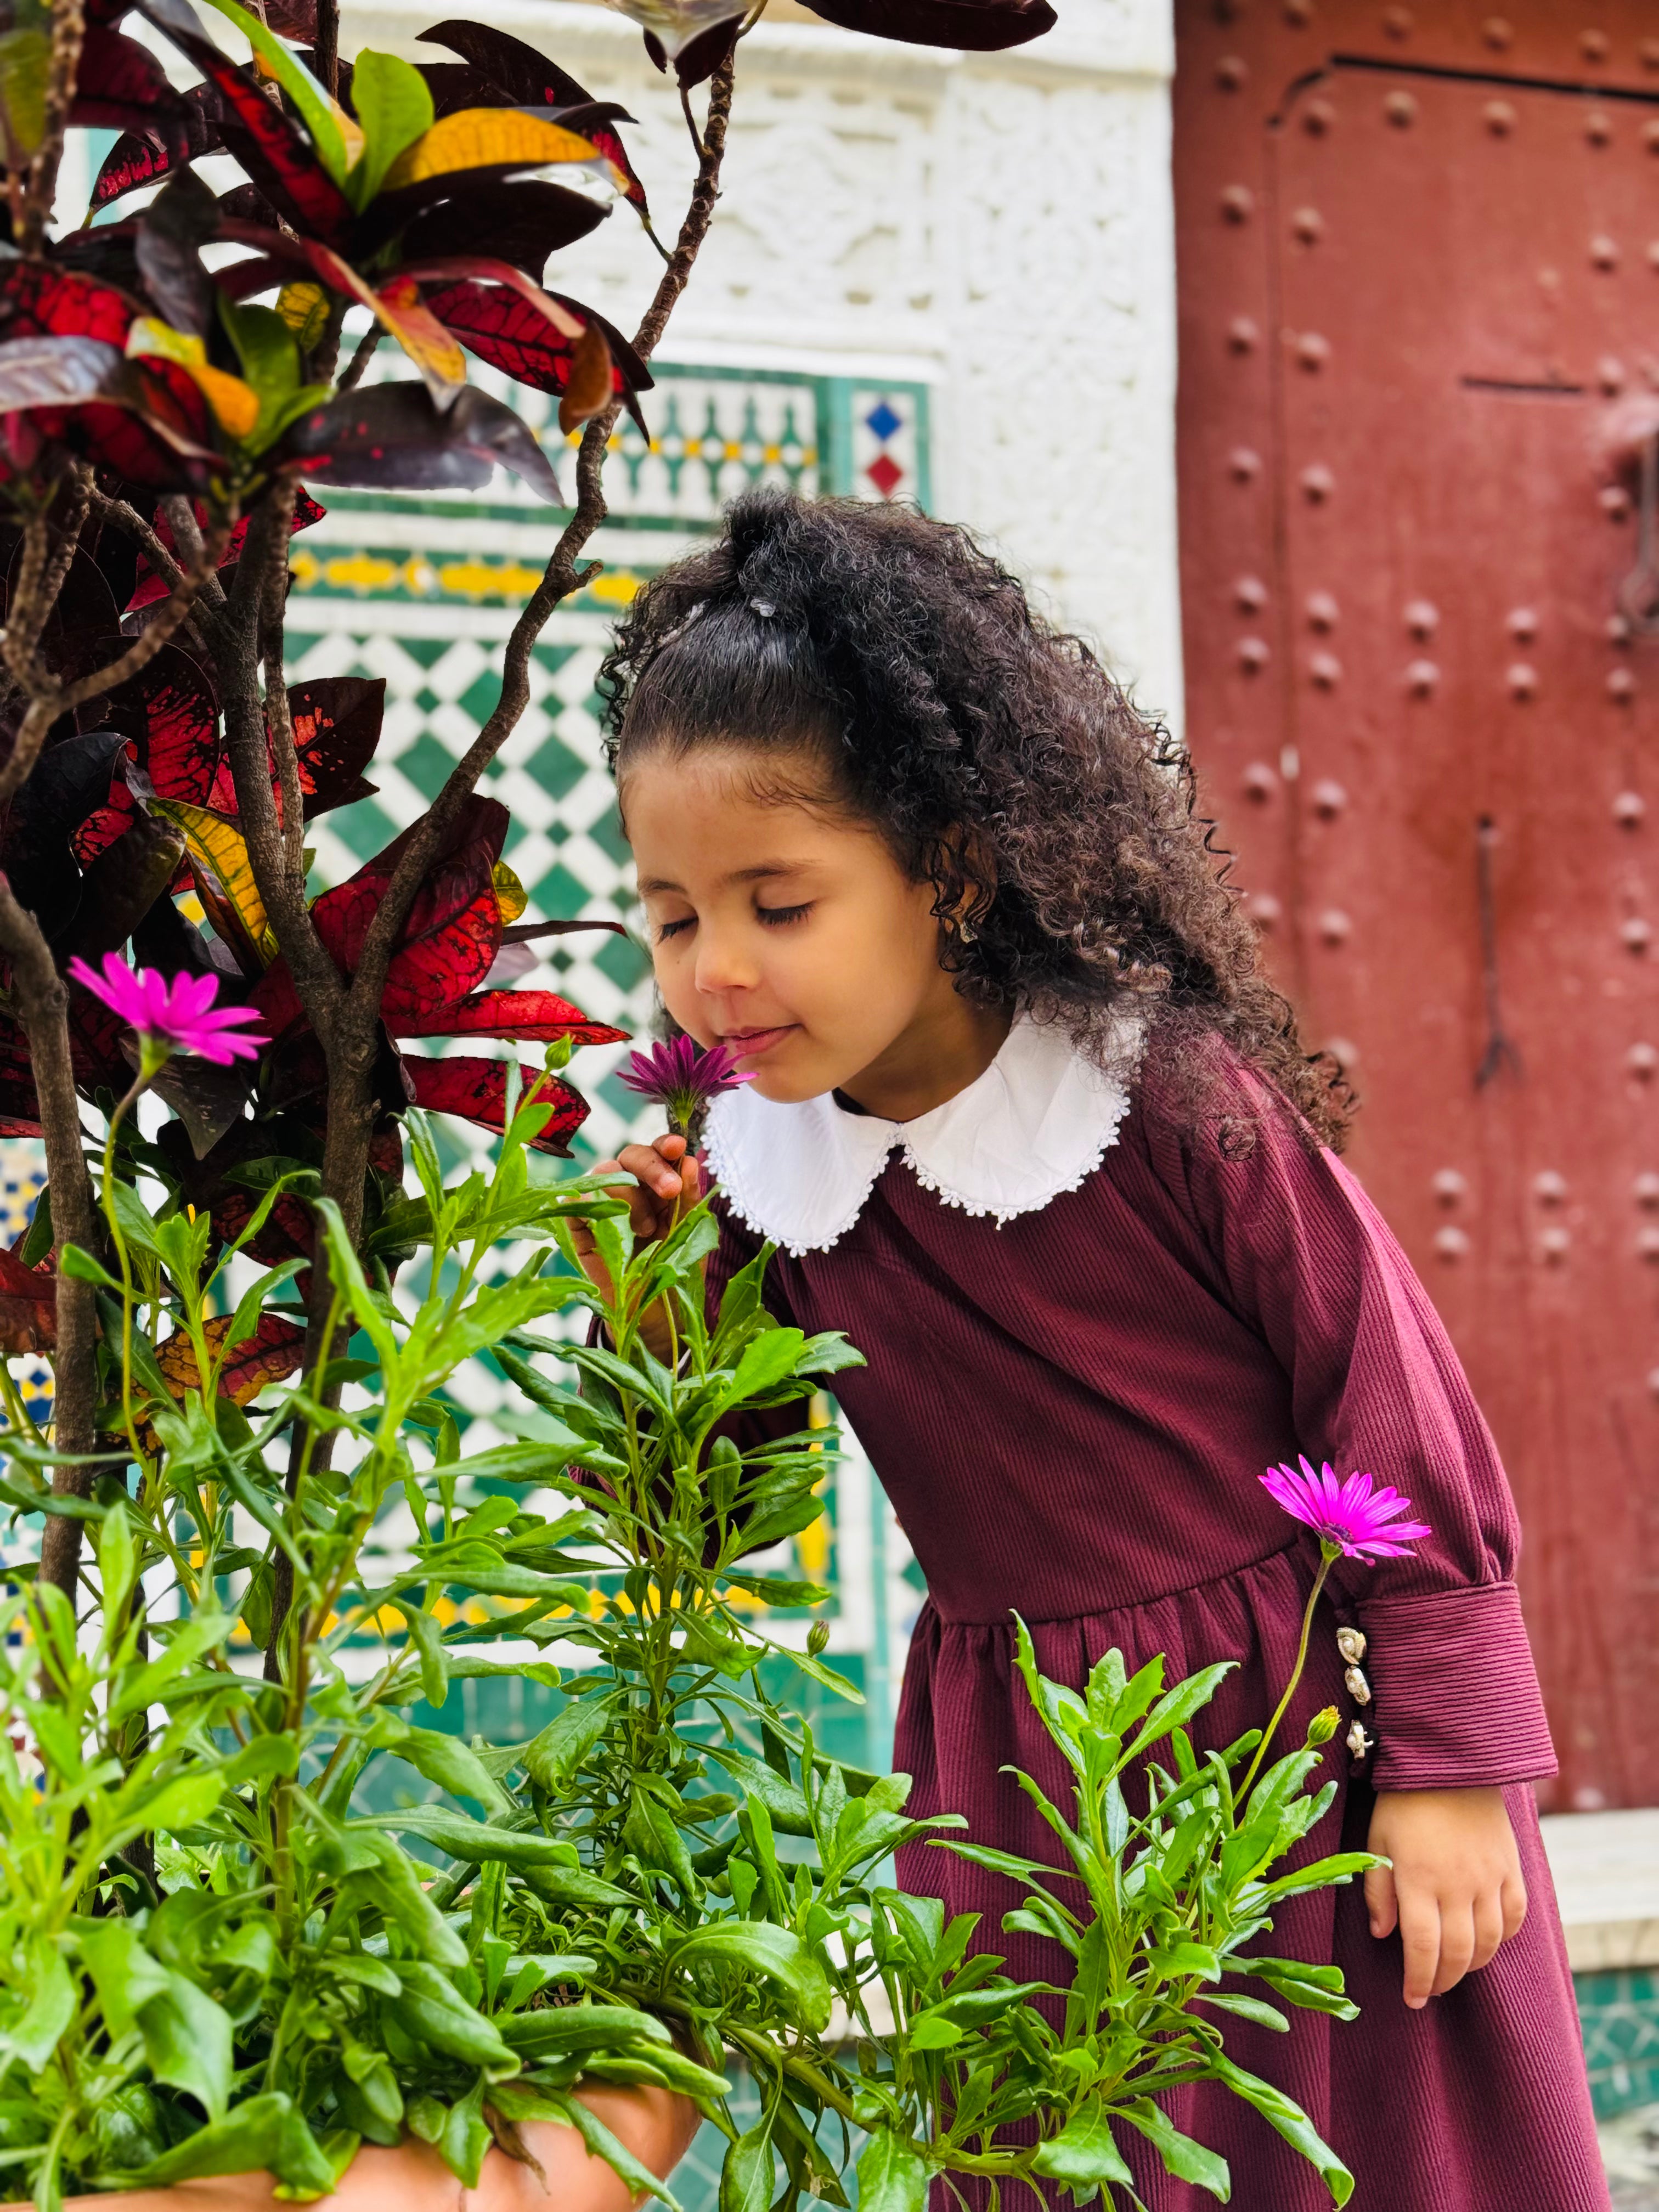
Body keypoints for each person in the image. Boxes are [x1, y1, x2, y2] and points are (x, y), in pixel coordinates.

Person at [574, 489, 1609, 2210]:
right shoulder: (761, 1183)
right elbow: (716, 1517)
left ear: (949, 870)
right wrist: (649, 1305)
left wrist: (1449, 1775)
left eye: (778, 899)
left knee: (1364, 2152)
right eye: (675, 917)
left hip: (1297, 1754)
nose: (718, 971)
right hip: (1020, 1786)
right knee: (1067, 2161)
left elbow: (1400, 1418)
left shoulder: (1167, 1105)